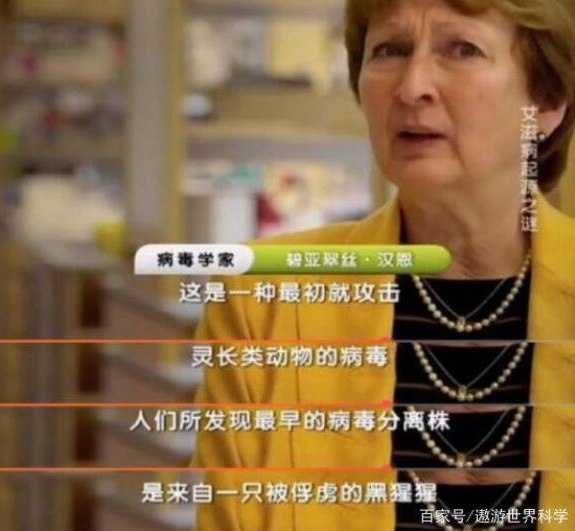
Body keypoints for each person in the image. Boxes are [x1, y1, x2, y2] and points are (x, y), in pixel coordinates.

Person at [192, 0, 575, 529]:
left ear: (547, 101)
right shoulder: (264, 304)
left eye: (462, 50)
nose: (412, 86)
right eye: (390, 50)